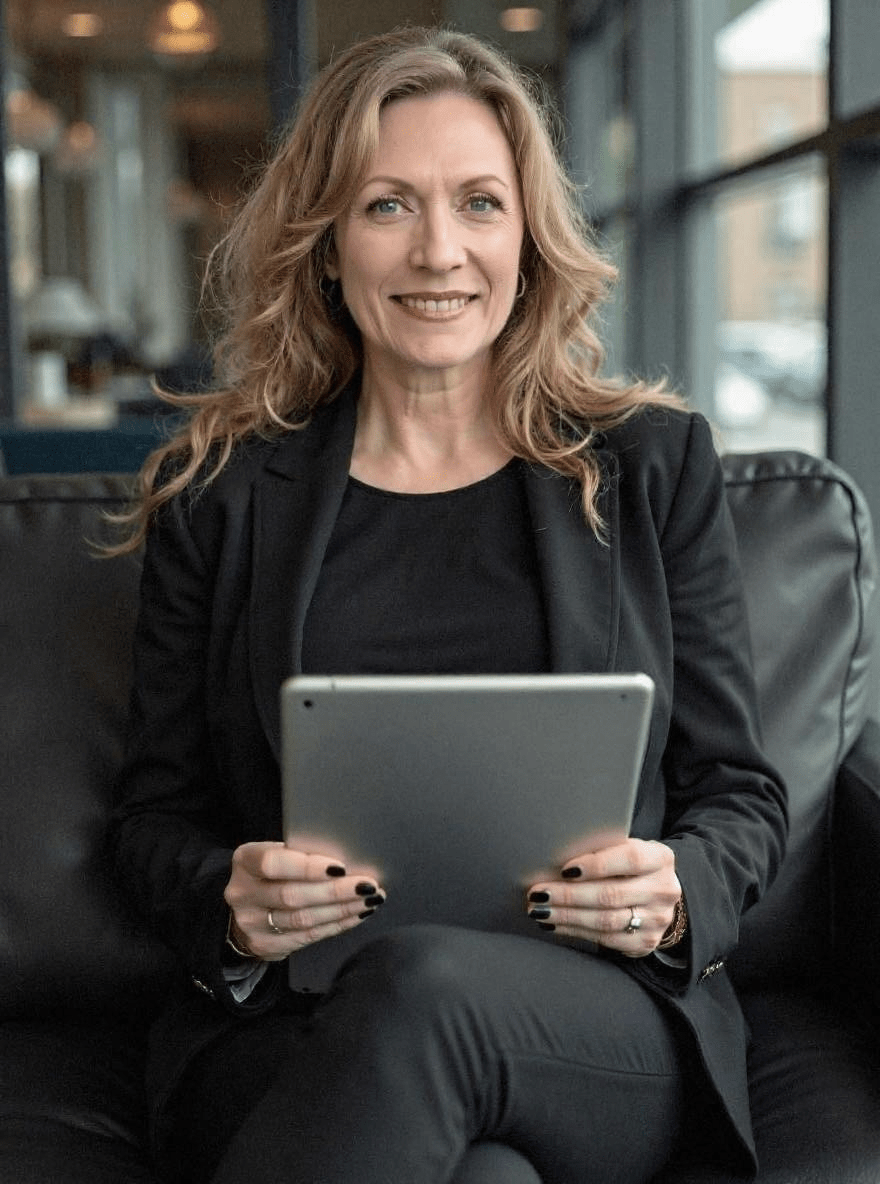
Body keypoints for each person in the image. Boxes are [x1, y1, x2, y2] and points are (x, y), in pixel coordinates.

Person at [110, 25, 787, 1184]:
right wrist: (228, 901)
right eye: (387, 206)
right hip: (292, 1026)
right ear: (326, 244)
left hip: (593, 1017)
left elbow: (740, 793)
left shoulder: (650, 467)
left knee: (426, 984)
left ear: (527, 235)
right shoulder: (219, 496)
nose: (439, 251)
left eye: (478, 202)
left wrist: (674, 893)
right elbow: (150, 817)